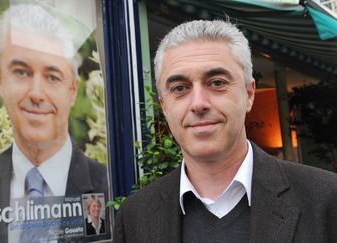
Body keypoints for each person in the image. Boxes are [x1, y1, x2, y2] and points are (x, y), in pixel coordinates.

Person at [114, 20, 337, 242]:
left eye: (217, 83)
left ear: (249, 94)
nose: (198, 103)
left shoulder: (326, 200)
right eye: (180, 88)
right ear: (164, 106)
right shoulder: (134, 217)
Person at [0, 4, 109, 243]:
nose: (36, 94)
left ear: (72, 90)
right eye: (21, 72)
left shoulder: (112, 188)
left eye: (52, 76)